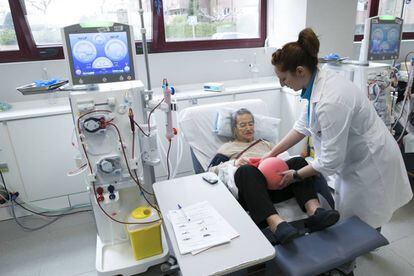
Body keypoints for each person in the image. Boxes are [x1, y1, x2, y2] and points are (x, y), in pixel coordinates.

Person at [265, 27, 413, 229]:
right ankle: (363, 242)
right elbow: (302, 127)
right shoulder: (316, 84)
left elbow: (330, 161)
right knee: (357, 218)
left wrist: (296, 175)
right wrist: (271, 154)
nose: (282, 84)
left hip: (371, 161)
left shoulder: (331, 100)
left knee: (363, 219)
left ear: (300, 71)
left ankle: (361, 246)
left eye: (283, 78)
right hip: (357, 161)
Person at [209, 108, 340, 244]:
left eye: (251, 123)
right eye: (242, 125)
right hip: (253, 190)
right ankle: (277, 225)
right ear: (234, 129)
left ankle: (315, 212)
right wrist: (234, 163)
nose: (248, 128)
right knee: (247, 170)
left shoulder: (265, 144)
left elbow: (283, 159)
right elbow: (211, 171)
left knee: (299, 161)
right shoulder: (227, 148)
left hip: (281, 184)